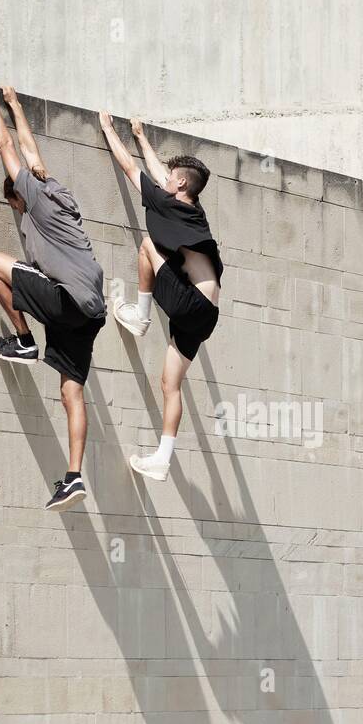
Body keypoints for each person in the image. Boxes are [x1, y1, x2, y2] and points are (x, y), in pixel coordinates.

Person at [0, 80, 106, 511]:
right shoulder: (59, 193)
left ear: (18, 198)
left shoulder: (33, 198)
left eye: (14, 206)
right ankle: (73, 478)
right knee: (72, 391)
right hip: (91, 312)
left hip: (67, 300)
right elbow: (32, 151)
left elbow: (6, 147)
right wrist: (15, 103)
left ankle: (24, 339)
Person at [99, 112, 222, 483]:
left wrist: (108, 129)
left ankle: (141, 314)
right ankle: (162, 459)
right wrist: (140, 134)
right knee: (170, 383)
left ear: (181, 183)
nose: (165, 180)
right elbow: (158, 173)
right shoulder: (193, 210)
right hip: (206, 314)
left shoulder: (168, 204)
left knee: (149, 244)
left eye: (172, 177)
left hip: (189, 305)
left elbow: (130, 169)